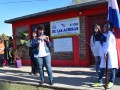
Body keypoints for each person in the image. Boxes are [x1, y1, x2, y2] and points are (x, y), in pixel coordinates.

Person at [93, 23, 118, 89]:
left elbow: (108, 44)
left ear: (108, 28)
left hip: (110, 54)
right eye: (103, 27)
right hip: (104, 54)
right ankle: (100, 81)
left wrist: (105, 53)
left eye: (105, 27)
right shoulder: (104, 34)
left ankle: (111, 81)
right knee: (102, 67)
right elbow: (102, 43)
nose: (104, 28)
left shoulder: (110, 34)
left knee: (112, 68)